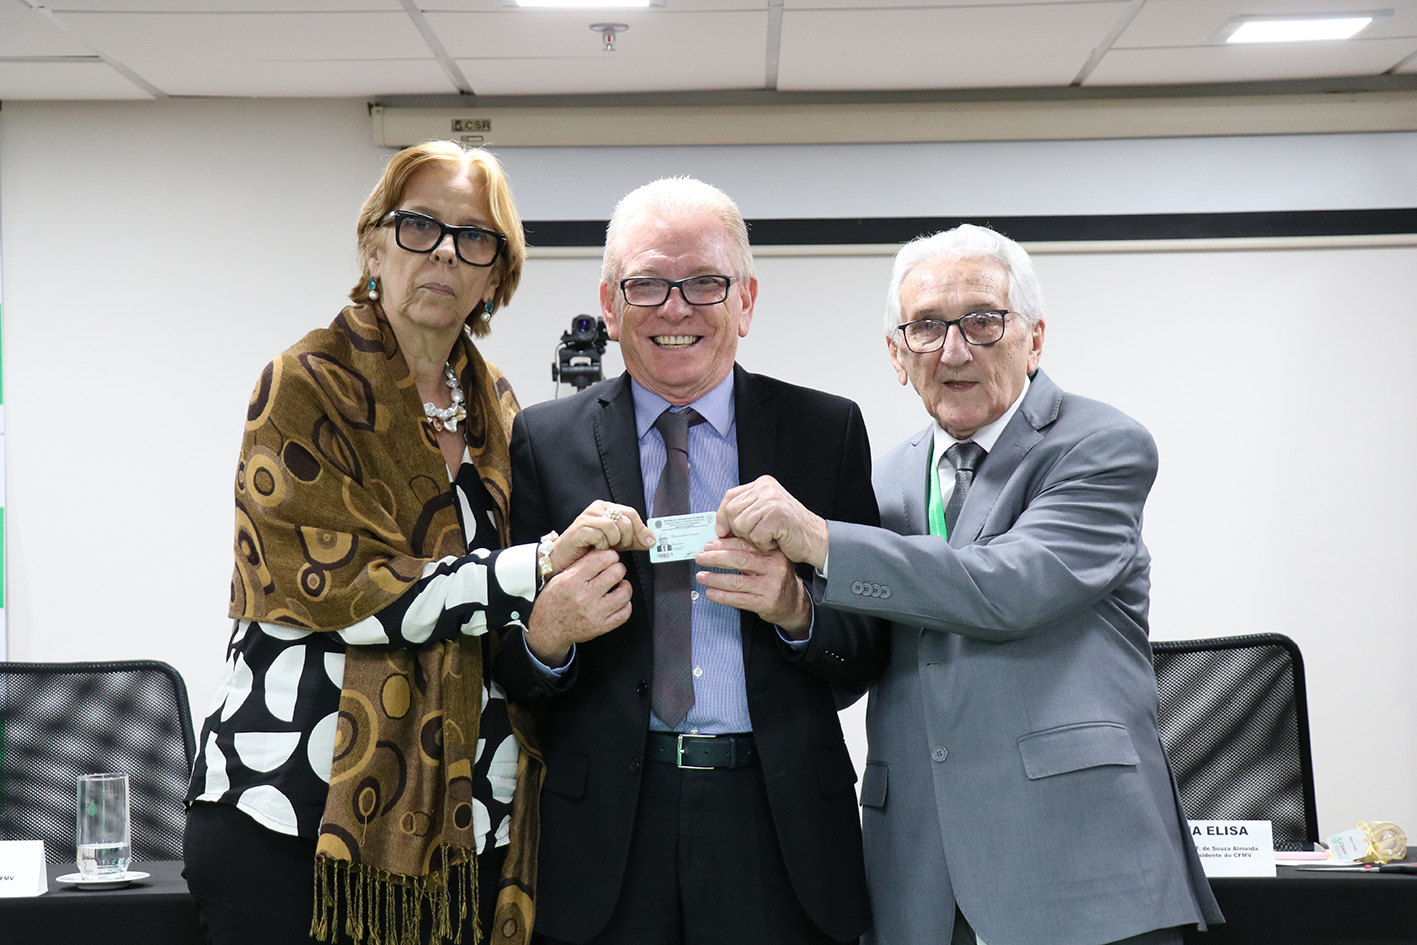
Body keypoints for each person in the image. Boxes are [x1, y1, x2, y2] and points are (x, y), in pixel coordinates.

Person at [183, 141, 652, 945]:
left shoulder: (500, 408)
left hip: (470, 817)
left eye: (474, 237)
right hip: (292, 811)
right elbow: (356, 589)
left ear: (494, 277)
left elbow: (507, 623)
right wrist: (537, 563)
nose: (443, 249)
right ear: (374, 244)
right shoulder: (302, 383)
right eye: (418, 225)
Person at [715, 224, 1225, 945]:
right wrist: (794, 609)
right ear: (897, 355)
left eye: (981, 320)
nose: (953, 349)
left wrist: (820, 541)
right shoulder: (885, 477)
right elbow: (854, 658)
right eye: (925, 326)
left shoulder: (1101, 446)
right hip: (918, 879)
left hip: (1079, 869)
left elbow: (1005, 589)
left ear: (1034, 338)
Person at [497, 177, 886, 945]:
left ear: (744, 299)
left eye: (703, 282)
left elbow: (869, 645)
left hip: (775, 823)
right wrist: (548, 632)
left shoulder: (824, 430)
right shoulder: (544, 440)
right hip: (610, 822)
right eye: (646, 284)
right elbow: (507, 667)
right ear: (609, 304)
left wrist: (797, 611)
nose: (674, 308)